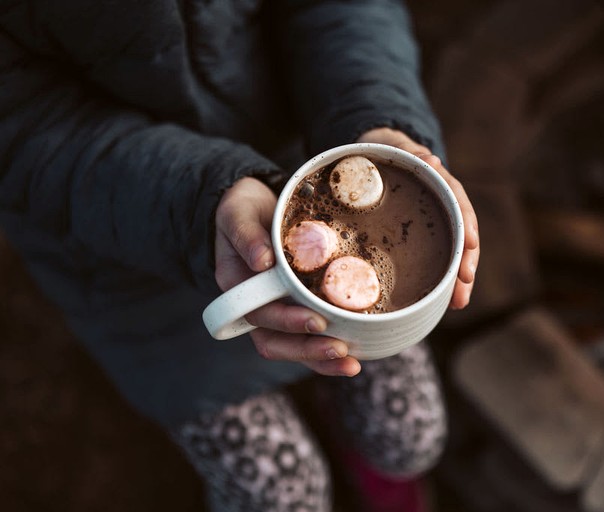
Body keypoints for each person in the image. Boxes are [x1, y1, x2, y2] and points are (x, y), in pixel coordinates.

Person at [0, 0, 480, 510]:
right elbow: (24, 131)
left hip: (298, 165)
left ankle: (358, 445)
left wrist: (375, 116)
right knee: (281, 497)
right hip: (123, 252)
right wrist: (199, 202)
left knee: (410, 438)